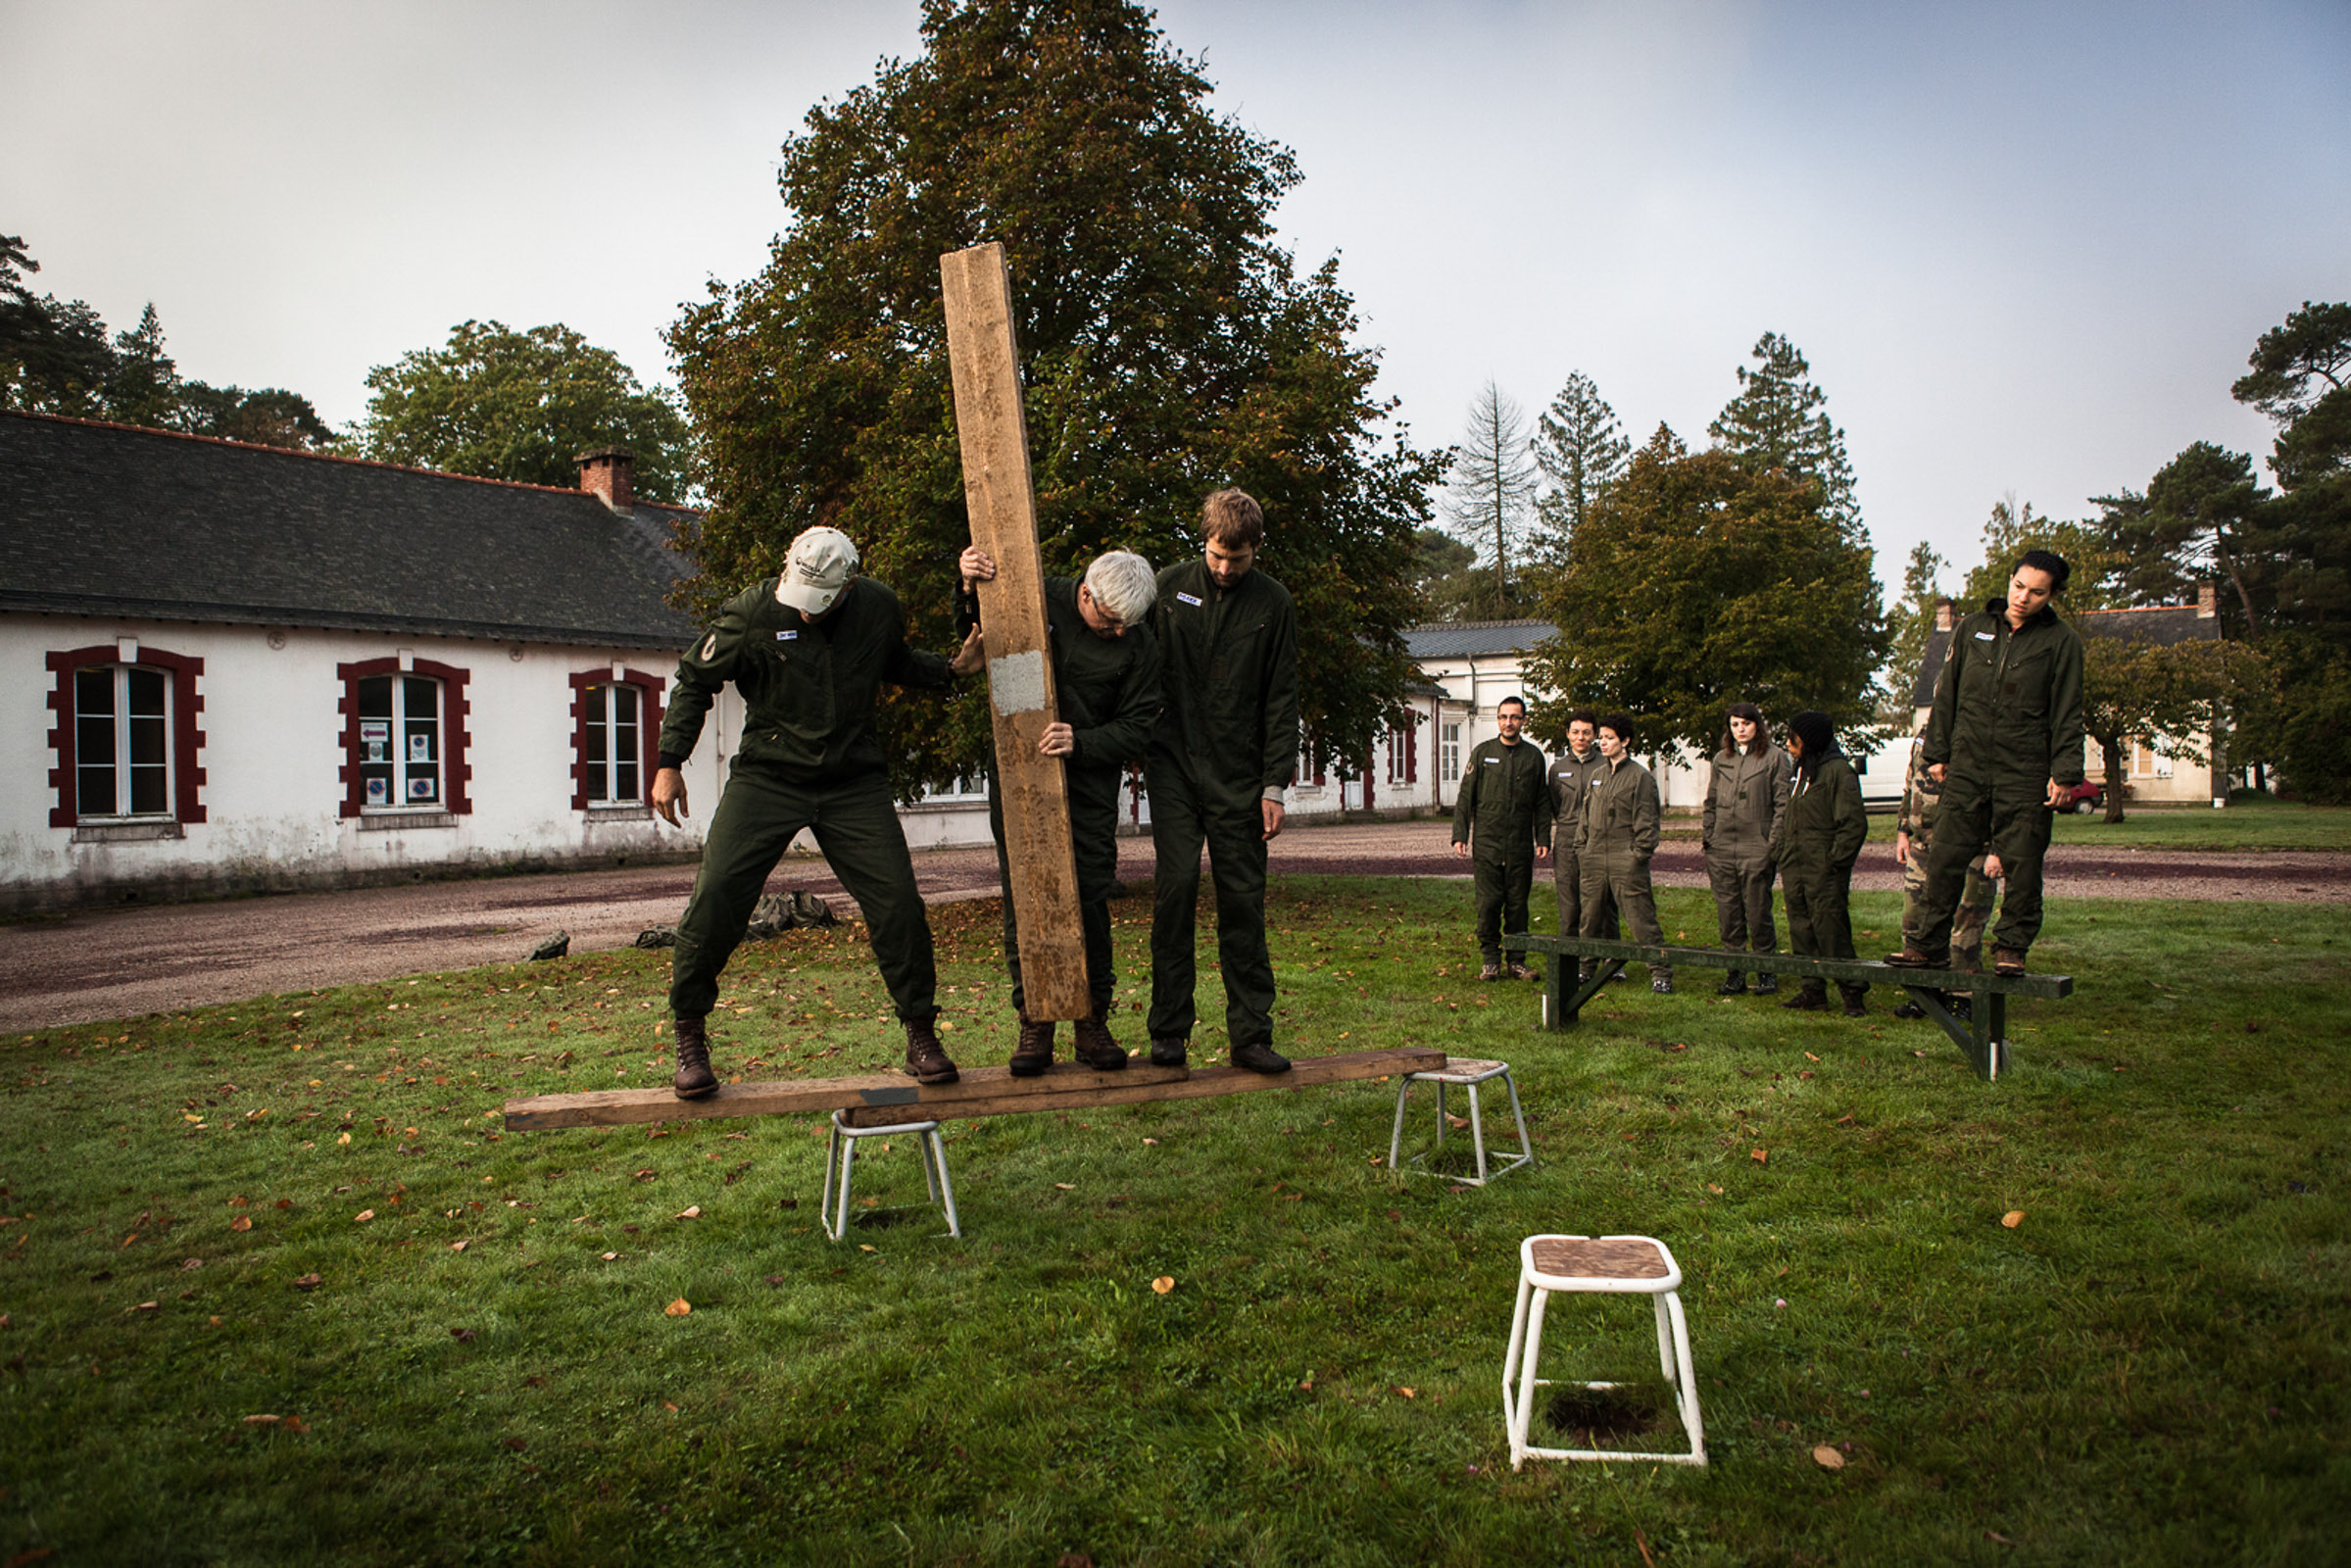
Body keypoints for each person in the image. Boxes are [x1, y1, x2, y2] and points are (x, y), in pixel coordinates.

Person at [650, 525, 984, 1098]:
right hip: (769, 777)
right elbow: (693, 681)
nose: (805, 615)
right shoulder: (752, 612)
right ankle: (689, 1034)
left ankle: (921, 1035)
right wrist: (668, 761)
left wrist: (949, 671)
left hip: (852, 780)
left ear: (848, 586)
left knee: (898, 903)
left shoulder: (877, 606)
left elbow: (894, 661)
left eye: (818, 606)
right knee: (717, 895)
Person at [955, 545, 1164, 1074]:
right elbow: (978, 633)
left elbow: (1141, 724)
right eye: (1110, 622)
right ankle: (1035, 1022)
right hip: (1021, 777)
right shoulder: (1033, 595)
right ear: (1086, 593)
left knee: (1090, 894)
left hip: (1090, 784)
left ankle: (1092, 1021)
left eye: (1127, 627)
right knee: (1025, 896)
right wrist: (966, 584)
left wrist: (1084, 741)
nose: (1118, 633)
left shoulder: (1139, 644)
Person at [1145, 488, 1300, 1074]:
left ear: (1256, 549)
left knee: (1243, 904)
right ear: (1203, 542)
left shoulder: (1274, 603)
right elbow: (1139, 665)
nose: (1224, 569)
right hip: (1175, 768)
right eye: (1215, 556)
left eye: (1237, 559)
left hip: (1242, 777)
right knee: (1176, 890)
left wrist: (1274, 785)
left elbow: (1282, 698)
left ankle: (1251, 1035)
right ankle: (1169, 1030)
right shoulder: (1168, 587)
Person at [1887, 550, 2085, 977]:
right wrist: (1938, 753)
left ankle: (2011, 947)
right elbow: (1948, 697)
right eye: (2018, 586)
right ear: (2009, 579)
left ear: (2052, 595)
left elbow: (2068, 710)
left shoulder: (2062, 642)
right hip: (1968, 765)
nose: (2023, 598)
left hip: (2025, 768)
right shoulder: (1974, 629)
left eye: (2036, 592)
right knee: (1944, 857)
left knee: (2023, 862)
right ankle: (1926, 945)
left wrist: (2065, 773)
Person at [1890, 729, 1996, 1019]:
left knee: (1966, 922)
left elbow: (1999, 793)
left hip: (1969, 846)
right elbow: (1910, 784)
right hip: (1923, 845)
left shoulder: (1979, 734)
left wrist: (1997, 847)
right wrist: (1903, 831)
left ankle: (1963, 995)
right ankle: (1924, 994)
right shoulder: (1924, 738)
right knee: (1915, 922)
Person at [1769, 710, 1869, 1016]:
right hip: (1795, 865)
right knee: (1801, 926)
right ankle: (1812, 990)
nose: (1788, 743)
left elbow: (1853, 825)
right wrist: (1782, 852)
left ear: (1809, 739)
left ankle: (1852, 991)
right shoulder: (1800, 772)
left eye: (1793, 737)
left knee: (1830, 928)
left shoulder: (1838, 772)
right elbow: (1789, 816)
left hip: (1823, 867)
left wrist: (1834, 862)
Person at [1451, 696, 1552, 980]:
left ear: (1523, 721)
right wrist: (1461, 834)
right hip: (1487, 843)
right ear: (1497, 720)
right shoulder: (1483, 753)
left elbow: (1541, 802)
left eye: (1515, 717)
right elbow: (1465, 798)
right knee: (1489, 902)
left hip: (1519, 845)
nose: (1509, 722)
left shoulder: (1533, 757)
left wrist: (1542, 836)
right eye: (1503, 717)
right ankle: (1490, 960)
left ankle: (1517, 960)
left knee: (1518, 903)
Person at [1576, 713, 1672, 994]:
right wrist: (1582, 849)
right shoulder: (1597, 775)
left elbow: (1648, 822)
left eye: (1609, 738)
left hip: (1625, 858)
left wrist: (1637, 855)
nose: (1602, 743)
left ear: (1625, 741)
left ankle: (1661, 971)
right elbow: (1585, 815)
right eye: (1601, 738)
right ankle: (1586, 969)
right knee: (1590, 918)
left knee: (1641, 919)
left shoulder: (1640, 777)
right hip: (1594, 856)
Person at [1701, 703, 1791, 997]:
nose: (1740, 730)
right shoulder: (1721, 759)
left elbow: (1782, 805)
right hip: (1722, 847)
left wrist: (1771, 844)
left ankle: (1766, 970)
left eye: (1746, 724)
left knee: (1758, 911)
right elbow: (1711, 801)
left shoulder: (1775, 758)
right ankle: (1735, 971)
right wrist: (1709, 837)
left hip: (1757, 846)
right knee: (1729, 913)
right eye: (1735, 724)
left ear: (1758, 725)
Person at [1545, 709, 1618, 967]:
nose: (1581, 737)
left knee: (1605, 902)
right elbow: (1554, 804)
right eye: (1575, 732)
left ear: (1595, 735)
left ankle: (1611, 960)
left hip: (1600, 841)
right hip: (1567, 840)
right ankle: (1570, 960)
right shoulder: (1557, 769)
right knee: (1569, 902)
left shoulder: (1606, 764)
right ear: (1567, 734)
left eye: (1586, 732)